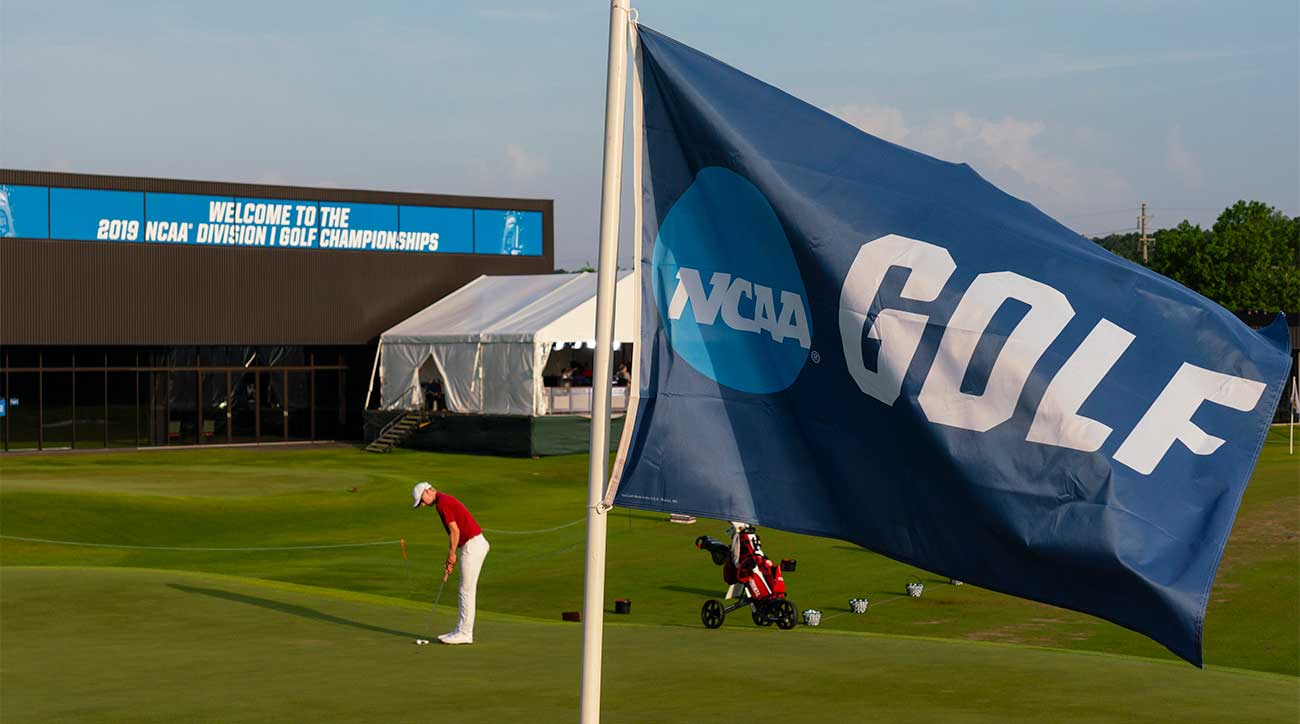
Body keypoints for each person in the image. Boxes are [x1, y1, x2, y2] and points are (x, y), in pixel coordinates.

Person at [412, 481, 490, 645]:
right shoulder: (443, 500)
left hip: (473, 544)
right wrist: (452, 556)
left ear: (427, 491)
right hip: (471, 545)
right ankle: (460, 629)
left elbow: (455, 531)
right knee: (465, 589)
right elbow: (454, 533)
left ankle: (465, 633)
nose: (424, 505)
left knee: (466, 590)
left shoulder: (442, 503)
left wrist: (452, 554)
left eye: (422, 501)